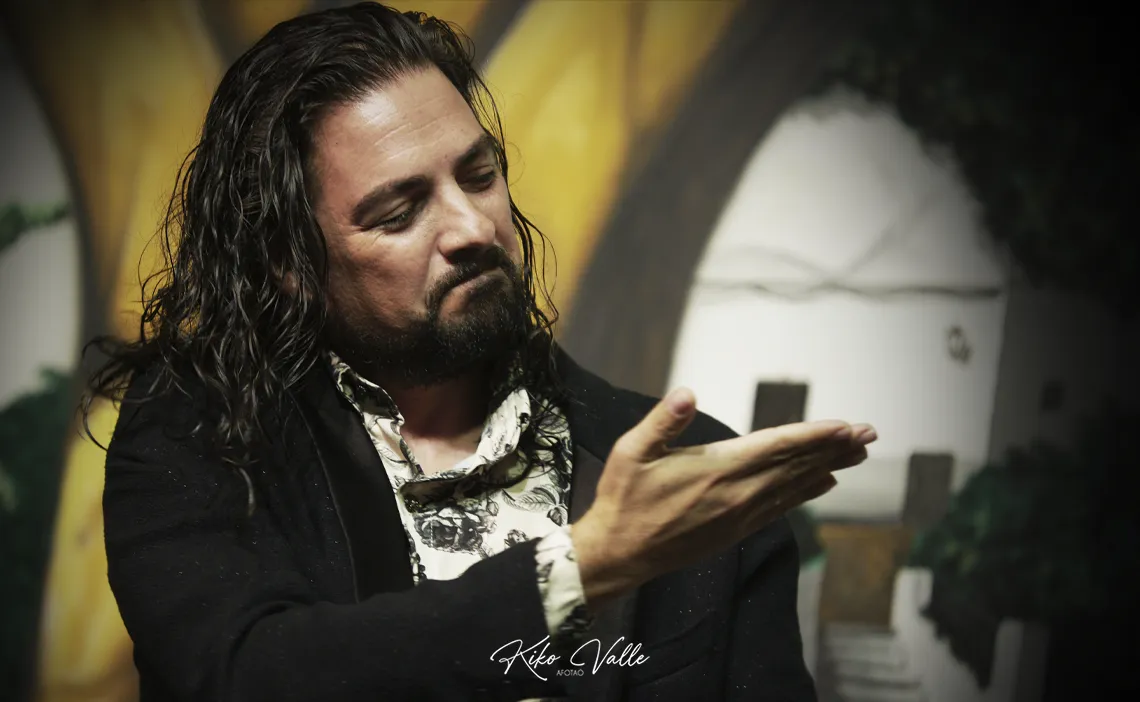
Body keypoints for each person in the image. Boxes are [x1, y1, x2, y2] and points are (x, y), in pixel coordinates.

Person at [85, 3, 876, 701]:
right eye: (399, 212)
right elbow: (247, 678)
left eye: (479, 174)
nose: (471, 228)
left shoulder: (691, 481)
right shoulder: (200, 439)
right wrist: (580, 568)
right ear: (287, 263)